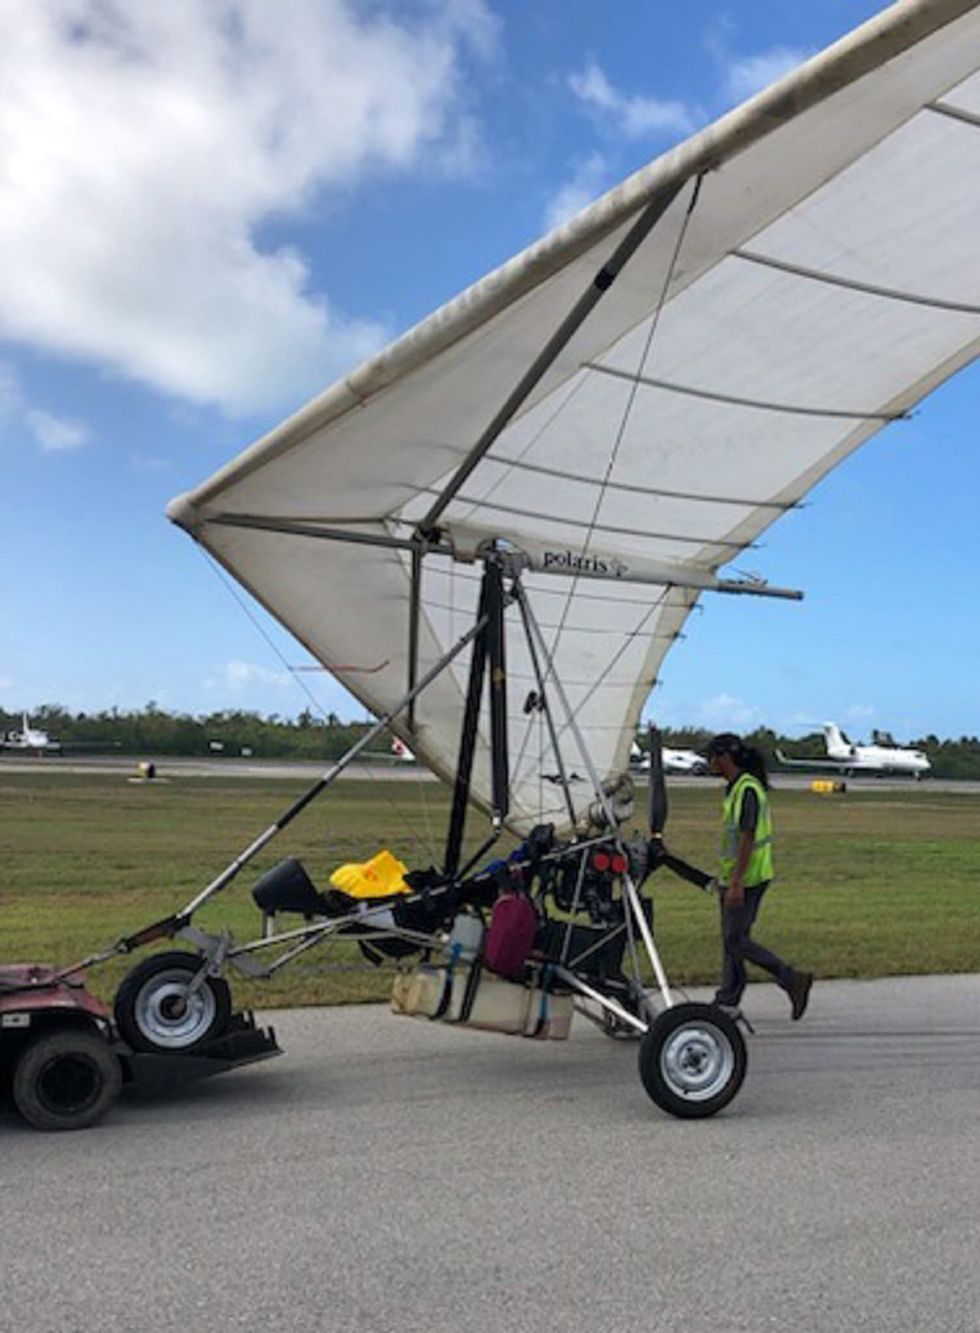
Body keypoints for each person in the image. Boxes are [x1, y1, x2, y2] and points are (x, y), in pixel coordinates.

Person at [705, 732, 812, 1021]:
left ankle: (791, 978)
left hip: (748, 878)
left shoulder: (747, 789)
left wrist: (737, 882)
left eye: (712, 757)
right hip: (738, 876)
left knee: (735, 940)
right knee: (733, 939)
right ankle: (727, 999)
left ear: (724, 758)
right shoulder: (736, 787)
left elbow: (747, 836)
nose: (709, 763)